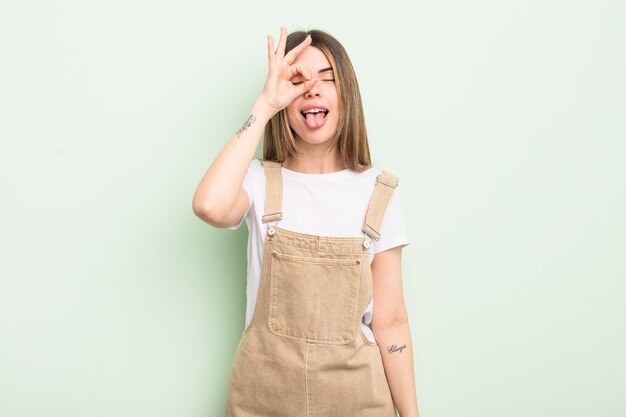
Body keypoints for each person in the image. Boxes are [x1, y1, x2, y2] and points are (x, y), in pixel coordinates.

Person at [192, 26, 420, 417]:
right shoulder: (258, 182)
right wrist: (265, 104)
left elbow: (391, 323)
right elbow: (210, 205)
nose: (312, 89)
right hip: (262, 400)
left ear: (347, 94)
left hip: (359, 402)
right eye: (298, 80)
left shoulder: (378, 191)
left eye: (327, 78)